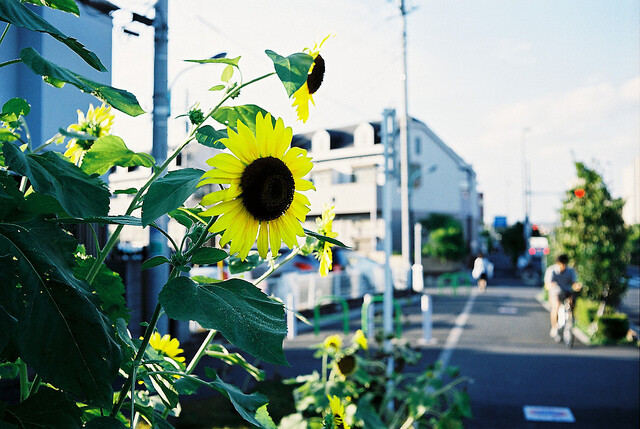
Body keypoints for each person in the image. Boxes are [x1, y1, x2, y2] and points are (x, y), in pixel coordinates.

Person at [545, 254, 582, 341]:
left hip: (566, 292)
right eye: (562, 264)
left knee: (572, 301)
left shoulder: (570, 271)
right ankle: (554, 327)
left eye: (565, 264)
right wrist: (552, 285)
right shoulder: (551, 270)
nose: (563, 266)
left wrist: (577, 286)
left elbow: (574, 282)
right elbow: (547, 285)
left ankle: (571, 318)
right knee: (556, 306)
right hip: (555, 293)